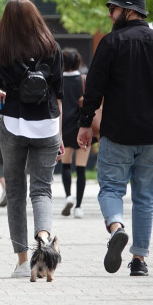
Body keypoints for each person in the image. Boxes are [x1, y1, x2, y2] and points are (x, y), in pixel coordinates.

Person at [77, 0, 153, 277]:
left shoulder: (111, 42)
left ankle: (116, 227)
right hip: (152, 132)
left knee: (111, 188)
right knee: (145, 196)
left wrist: (85, 123)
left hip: (117, 132)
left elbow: (95, 88)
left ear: (127, 10)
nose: (110, 15)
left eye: (112, 9)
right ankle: (139, 260)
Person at [0, 0, 64, 280]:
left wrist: (0, 98)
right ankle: (43, 237)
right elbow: (58, 93)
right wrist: (60, 132)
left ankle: (22, 262)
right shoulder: (51, 47)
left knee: (16, 192)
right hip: (47, 126)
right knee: (42, 190)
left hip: (13, 125)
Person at [60, 47, 89, 219]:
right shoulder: (83, 80)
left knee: (65, 165)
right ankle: (78, 207)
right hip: (82, 127)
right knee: (81, 169)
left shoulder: (58, 81)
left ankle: (68, 196)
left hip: (64, 127)